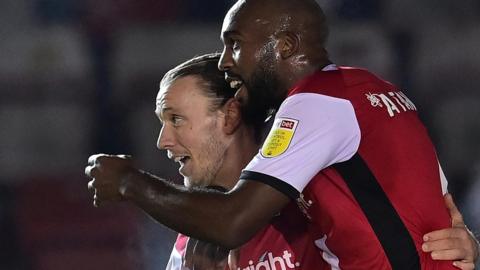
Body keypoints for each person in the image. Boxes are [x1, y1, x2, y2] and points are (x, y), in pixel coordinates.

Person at [85, 0, 480, 269]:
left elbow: (232, 220)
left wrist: (128, 183)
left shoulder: (315, 104)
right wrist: (460, 246)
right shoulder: (365, 89)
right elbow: (425, 207)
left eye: (235, 45)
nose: (226, 60)